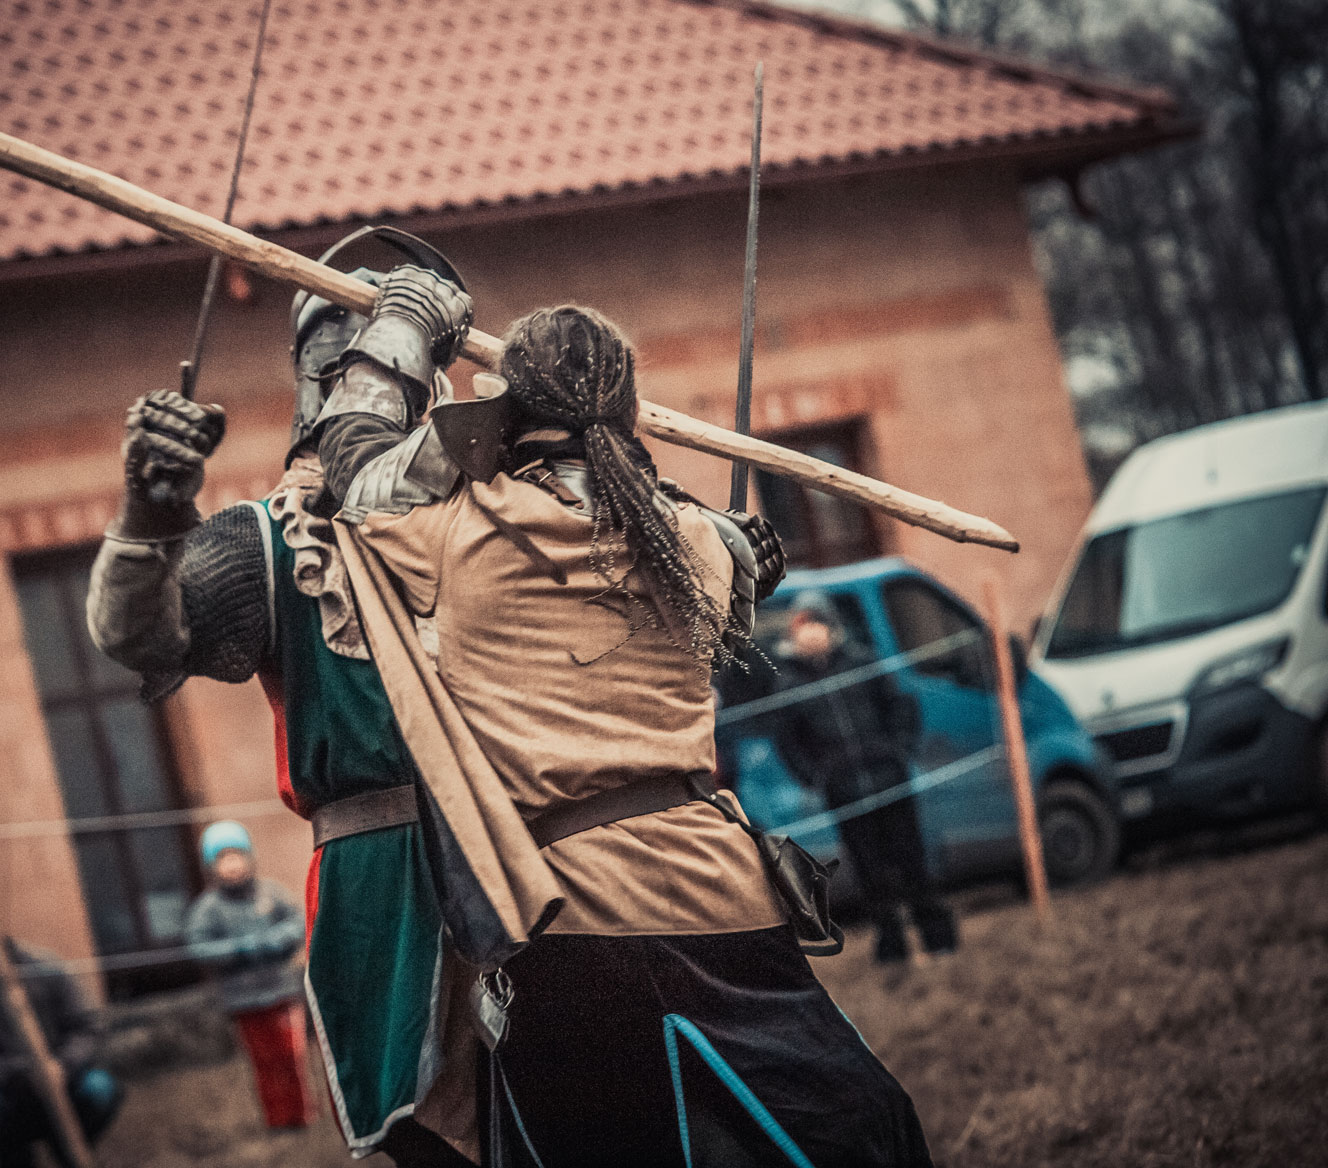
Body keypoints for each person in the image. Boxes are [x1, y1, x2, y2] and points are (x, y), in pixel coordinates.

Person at [314, 287, 933, 1167]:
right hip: (723, 887)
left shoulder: (457, 534)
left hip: (572, 911)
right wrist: (734, 543)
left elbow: (350, 465)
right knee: (836, 1138)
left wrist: (405, 323)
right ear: (632, 412)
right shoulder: (697, 543)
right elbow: (702, 547)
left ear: (509, 412)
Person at [86, 227, 486, 1167]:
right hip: (385, 879)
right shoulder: (267, 541)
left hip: (529, 842)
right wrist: (149, 517)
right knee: (441, 1136)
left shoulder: (491, 504)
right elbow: (137, 636)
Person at [765, 593, 957, 965]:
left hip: (890, 782)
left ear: (829, 625)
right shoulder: (788, 684)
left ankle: (938, 939)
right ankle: (893, 949)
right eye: (803, 623)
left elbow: (901, 705)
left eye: (816, 621)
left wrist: (898, 751)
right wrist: (817, 776)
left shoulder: (862, 661)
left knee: (913, 862)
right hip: (845, 793)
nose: (810, 630)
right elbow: (788, 741)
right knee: (870, 873)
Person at [0, 912, 121, 1168]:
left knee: (99, 1088)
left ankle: (67, 1150)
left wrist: (61, 1065)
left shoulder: (43, 969)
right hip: (8, 1091)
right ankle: (16, 1158)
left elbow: (87, 1026)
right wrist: (25, 1073)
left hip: (64, 1077)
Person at [183, 821, 312, 1129]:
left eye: (236, 856)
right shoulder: (208, 909)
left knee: (292, 1054)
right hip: (245, 1001)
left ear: (249, 857)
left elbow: (298, 922)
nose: (232, 865)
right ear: (211, 867)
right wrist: (240, 949)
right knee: (264, 1061)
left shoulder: (271, 893)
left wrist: (275, 941)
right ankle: (277, 1118)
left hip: (282, 992)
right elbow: (200, 948)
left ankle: (303, 1113)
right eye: (223, 859)